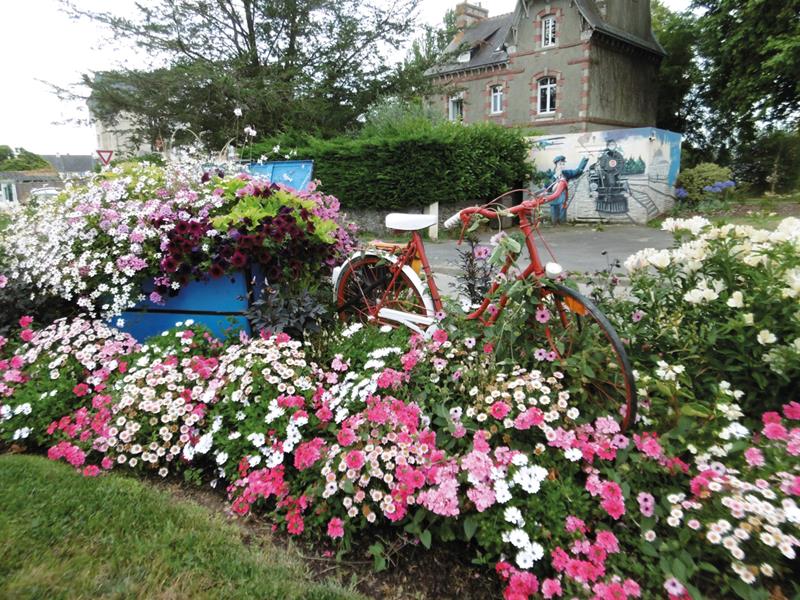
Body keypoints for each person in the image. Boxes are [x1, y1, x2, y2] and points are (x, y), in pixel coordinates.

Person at [545, 154, 589, 225]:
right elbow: (547, 187)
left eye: (563, 164)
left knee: (562, 219)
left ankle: (563, 227)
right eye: (560, 164)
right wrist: (555, 177)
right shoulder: (550, 174)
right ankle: (554, 226)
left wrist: (585, 159)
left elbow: (577, 171)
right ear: (556, 165)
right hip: (554, 199)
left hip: (562, 198)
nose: (562, 166)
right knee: (554, 220)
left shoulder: (566, 173)